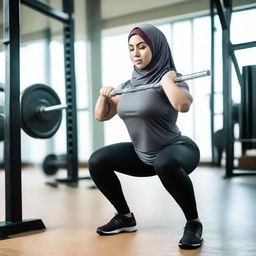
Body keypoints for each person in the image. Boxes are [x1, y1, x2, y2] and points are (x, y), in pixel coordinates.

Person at [88, 24, 203, 250]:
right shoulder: (127, 86)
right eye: (131, 49)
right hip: (143, 155)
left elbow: (183, 105)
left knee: (164, 161)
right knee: (97, 160)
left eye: (142, 47)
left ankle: (193, 223)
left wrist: (167, 80)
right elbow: (101, 116)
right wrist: (103, 96)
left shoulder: (173, 79)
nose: (136, 54)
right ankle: (125, 217)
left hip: (177, 150)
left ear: (156, 48)